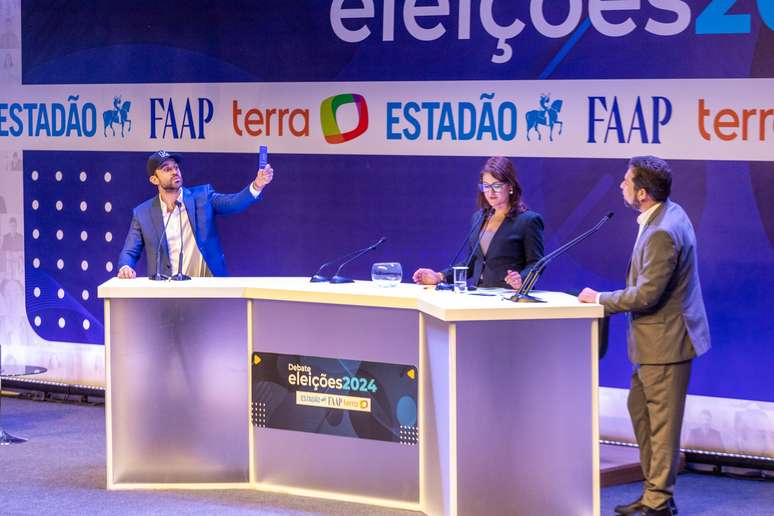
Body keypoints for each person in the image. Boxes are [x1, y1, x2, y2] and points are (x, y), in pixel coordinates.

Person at [579, 156, 711, 516]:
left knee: (662, 425)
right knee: (641, 411)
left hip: (667, 342)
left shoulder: (663, 231)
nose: (620, 184)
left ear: (642, 192)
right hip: (656, 342)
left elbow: (647, 294)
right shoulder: (665, 215)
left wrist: (600, 299)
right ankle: (656, 493)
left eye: (626, 180)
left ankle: (658, 501)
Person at [117, 150, 273, 279]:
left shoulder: (203, 197)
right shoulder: (142, 213)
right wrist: (125, 267)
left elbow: (233, 203)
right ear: (154, 179)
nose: (174, 172)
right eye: (166, 169)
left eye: (176, 167)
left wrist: (257, 185)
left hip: (207, 287)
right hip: (166, 293)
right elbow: (130, 250)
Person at [412, 156, 544, 289]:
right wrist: (439, 276)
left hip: (510, 298)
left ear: (510, 186)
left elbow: (537, 263)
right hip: (479, 296)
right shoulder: (478, 217)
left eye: (496, 185)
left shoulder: (528, 220)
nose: (490, 192)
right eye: (486, 186)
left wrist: (522, 279)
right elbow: (472, 263)